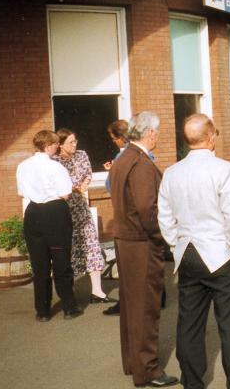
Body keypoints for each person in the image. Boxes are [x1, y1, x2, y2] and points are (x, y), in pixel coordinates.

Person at [157, 114, 230, 389]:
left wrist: (177, 245)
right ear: (210, 136)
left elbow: (164, 216)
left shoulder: (172, 172)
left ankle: (192, 383)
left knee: (189, 324)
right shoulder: (223, 169)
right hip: (221, 254)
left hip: (188, 252)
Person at [109, 112, 178, 388]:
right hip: (141, 242)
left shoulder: (122, 159)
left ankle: (133, 362)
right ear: (148, 133)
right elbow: (148, 209)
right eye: (157, 132)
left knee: (131, 306)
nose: (158, 136)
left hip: (125, 240)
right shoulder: (141, 164)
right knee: (146, 307)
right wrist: (163, 236)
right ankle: (148, 370)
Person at [16, 130, 82, 322]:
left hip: (33, 213)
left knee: (40, 264)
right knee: (61, 260)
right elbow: (65, 193)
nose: (56, 147)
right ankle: (69, 307)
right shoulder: (55, 167)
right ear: (47, 146)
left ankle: (42, 311)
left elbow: (22, 192)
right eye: (54, 144)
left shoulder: (22, 166)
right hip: (55, 213)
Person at [53, 128, 112, 304]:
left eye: (75, 140)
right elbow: (55, 184)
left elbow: (87, 174)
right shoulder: (54, 161)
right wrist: (73, 188)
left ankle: (97, 292)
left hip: (81, 207)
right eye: (70, 142)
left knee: (91, 245)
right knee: (68, 249)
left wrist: (84, 185)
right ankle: (70, 293)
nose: (74, 144)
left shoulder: (81, 155)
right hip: (63, 209)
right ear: (60, 145)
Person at [103, 119, 129, 316]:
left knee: (127, 264)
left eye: (114, 138)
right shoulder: (143, 153)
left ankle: (125, 304)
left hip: (126, 215)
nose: (113, 142)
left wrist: (110, 171)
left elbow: (110, 186)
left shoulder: (122, 157)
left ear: (121, 137)